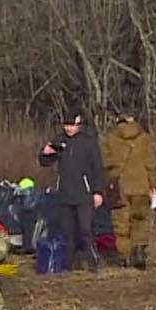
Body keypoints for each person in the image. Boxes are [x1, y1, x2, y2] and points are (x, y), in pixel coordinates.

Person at [38, 112, 106, 271]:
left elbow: (98, 169)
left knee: (85, 229)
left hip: (84, 193)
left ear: (79, 125)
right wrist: (45, 153)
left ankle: (92, 261)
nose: (69, 128)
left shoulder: (88, 143)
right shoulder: (59, 140)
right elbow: (45, 162)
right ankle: (69, 263)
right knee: (67, 231)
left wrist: (98, 192)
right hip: (65, 194)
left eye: (72, 125)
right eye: (66, 125)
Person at [100, 111, 156, 269]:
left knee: (121, 222)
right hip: (141, 185)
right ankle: (139, 252)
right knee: (139, 220)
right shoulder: (144, 137)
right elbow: (150, 164)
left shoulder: (110, 138)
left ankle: (124, 257)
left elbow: (105, 163)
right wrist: (152, 186)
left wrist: (113, 174)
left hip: (120, 186)